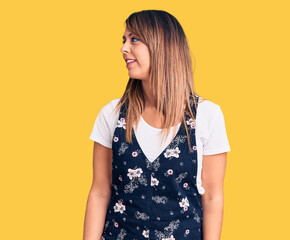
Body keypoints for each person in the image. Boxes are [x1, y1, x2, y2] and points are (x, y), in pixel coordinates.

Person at [83, 10, 231, 240]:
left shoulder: (207, 115)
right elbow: (100, 192)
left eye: (135, 39)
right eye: (124, 40)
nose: (124, 48)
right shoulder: (111, 114)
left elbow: (213, 196)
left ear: (162, 46)